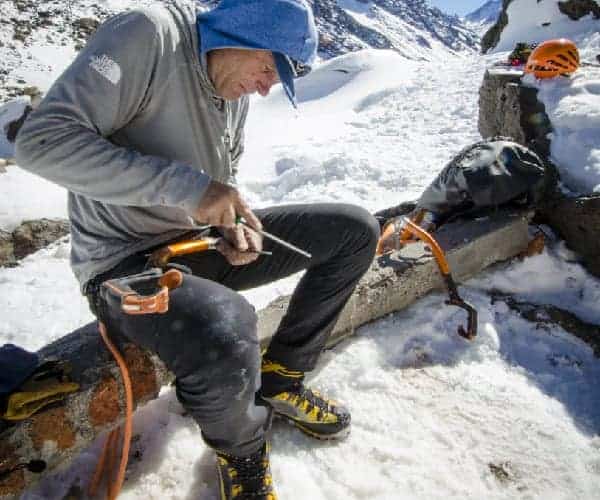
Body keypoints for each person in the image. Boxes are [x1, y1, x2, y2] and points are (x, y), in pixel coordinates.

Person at [15, 0, 379, 498]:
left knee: (355, 231)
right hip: (123, 263)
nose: (267, 87)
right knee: (225, 328)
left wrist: (229, 224)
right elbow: (41, 142)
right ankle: (243, 456)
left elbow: (217, 180)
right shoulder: (147, 36)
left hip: (191, 241)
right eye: (269, 68)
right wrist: (192, 191)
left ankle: (282, 376)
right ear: (239, 33)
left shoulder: (233, 86)